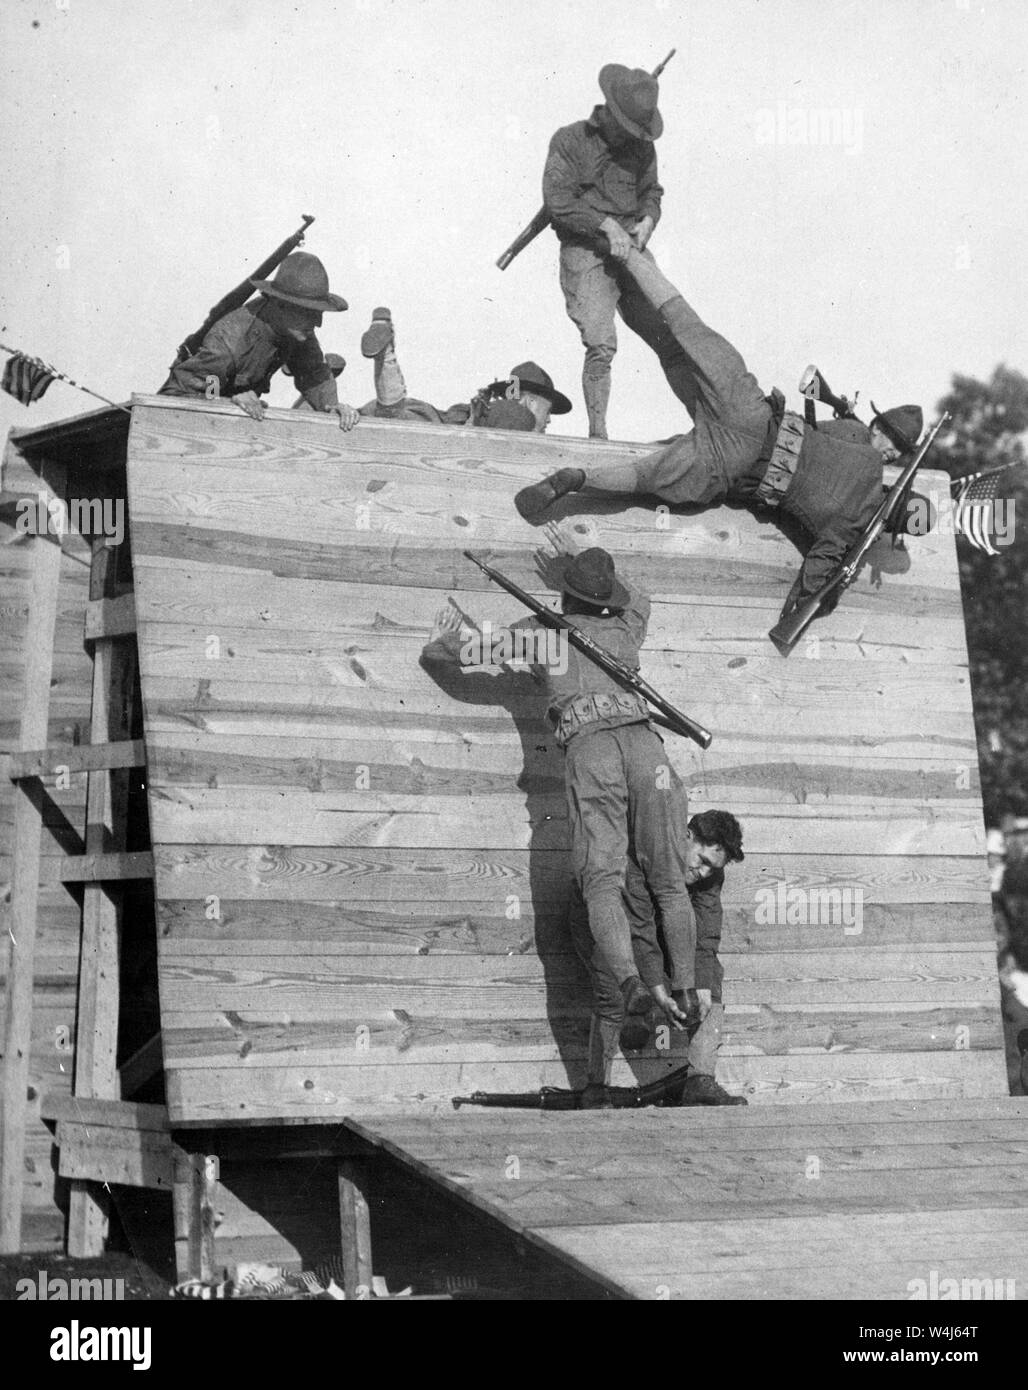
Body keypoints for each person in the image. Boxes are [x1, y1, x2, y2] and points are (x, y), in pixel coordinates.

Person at [515, 248, 934, 619]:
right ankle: (579, 479)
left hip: (753, 413)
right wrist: (831, 593)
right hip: (734, 466)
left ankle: (629, 258)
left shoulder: (863, 452)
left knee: (685, 331)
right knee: (648, 478)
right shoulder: (845, 533)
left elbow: (824, 432)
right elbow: (814, 579)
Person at [422, 535, 701, 1049]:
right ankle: (686, 990)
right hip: (646, 749)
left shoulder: (541, 636)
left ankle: (630, 982)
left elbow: (465, 652)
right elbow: (639, 598)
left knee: (601, 881)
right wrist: (579, 557)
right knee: (668, 882)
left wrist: (441, 641)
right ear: (608, 599)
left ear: (565, 598)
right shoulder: (626, 628)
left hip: (592, 749)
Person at [543, 63, 687, 439]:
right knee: (601, 345)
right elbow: (558, 202)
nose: (631, 137)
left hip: (630, 246)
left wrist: (647, 221)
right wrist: (604, 225)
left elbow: (651, 192)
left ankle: (706, 427)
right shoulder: (569, 141)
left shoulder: (642, 145)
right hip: (586, 248)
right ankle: (598, 436)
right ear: (608, 110)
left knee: (671, 335)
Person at [567, 809, 747, 1107]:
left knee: (710, 973)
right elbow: (640, 930)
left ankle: (700, 1079)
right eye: (701, 861)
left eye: (712, 868)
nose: (703, 873)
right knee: (612, 983)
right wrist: (661, 994)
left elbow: (705, 933)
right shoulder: (644, 852)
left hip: (655, 923)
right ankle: (596, 1087)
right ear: (686, 837)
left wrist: (700, 984)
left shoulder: (709, 872)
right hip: (604, 921)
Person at [160, 252, 359, 430]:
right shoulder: (230, 340)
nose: (318, 323)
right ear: (280, 305)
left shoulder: (296, 331)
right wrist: (223, 401)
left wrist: (332, 407)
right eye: (308, 312)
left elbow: (314, 374)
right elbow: (194, 389)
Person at [357, 307, 572, 432]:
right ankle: (387, 354)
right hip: (439, 435)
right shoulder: (518, 417)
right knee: (392, 415)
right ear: (530, 402)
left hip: (428, 419)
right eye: (548, 411)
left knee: (391, 413)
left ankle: (387, 352)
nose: (549, 420)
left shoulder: (490, 411)